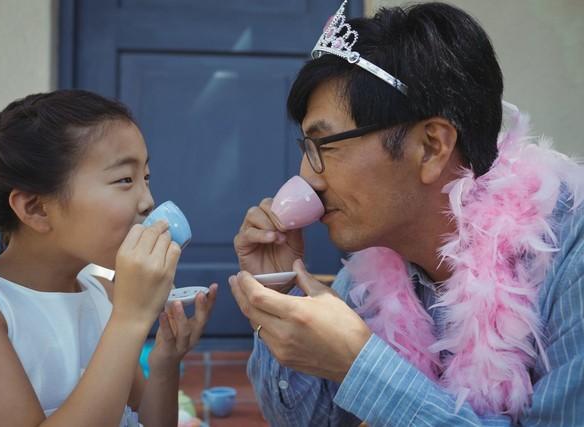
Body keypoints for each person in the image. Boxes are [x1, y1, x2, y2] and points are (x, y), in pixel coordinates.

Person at [230, 1, 584, 426]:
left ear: (431, 147)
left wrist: (360, 366)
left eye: (325, 145)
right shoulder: (376, 264)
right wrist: (280, 291)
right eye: (306, 148)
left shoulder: (571, 256)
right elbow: (309, 422)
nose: (308, 177)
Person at [0, 90, 218, 426]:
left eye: (145, 178)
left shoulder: (103, 291)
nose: (148, 201)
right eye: (124, 180)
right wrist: (130, 319)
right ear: (37, 209)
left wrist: (165, 362)